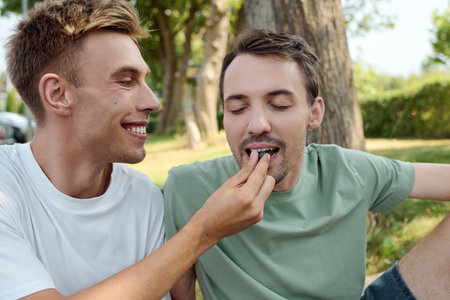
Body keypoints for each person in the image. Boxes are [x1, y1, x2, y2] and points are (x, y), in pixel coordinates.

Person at [0, 1, 275, 299]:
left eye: (144, 80)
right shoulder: (7, 191)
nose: (152, 102)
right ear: (58, 94)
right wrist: (202, 233)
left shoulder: (145, 199)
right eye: (126, 81)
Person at [163, 29, 450, 300]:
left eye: (279, 105)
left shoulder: (349, 171)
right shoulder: (188, 188)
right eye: (238, 108)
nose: (257, 124)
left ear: (314, 113)